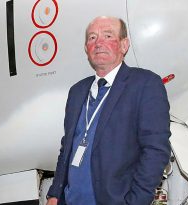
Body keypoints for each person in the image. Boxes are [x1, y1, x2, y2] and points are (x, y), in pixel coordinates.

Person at [46, 16, 171, 205]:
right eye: (92, 38)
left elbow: (155, 151)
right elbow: (67, 149)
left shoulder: (145, 84)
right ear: (86, 48)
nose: (98, 43)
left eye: (108, 35)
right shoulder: (77, 91)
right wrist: (54, 194)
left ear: (124, 45)